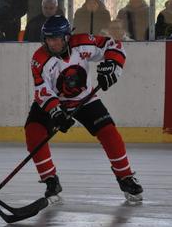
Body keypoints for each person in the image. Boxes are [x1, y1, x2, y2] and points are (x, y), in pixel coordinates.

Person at [24, 15, 143, 203]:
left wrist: (113, 67)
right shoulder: (39, 59)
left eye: (56, 38)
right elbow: (43, 91)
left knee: (109, 133)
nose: (52, 43)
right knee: (33, 132)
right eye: (48, 39)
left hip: (84, 99)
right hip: (55, 101)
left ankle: (126, 177)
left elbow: (113, 46)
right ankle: (50, 181)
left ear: (66, 37)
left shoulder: (82, 43)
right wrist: (56, 112)